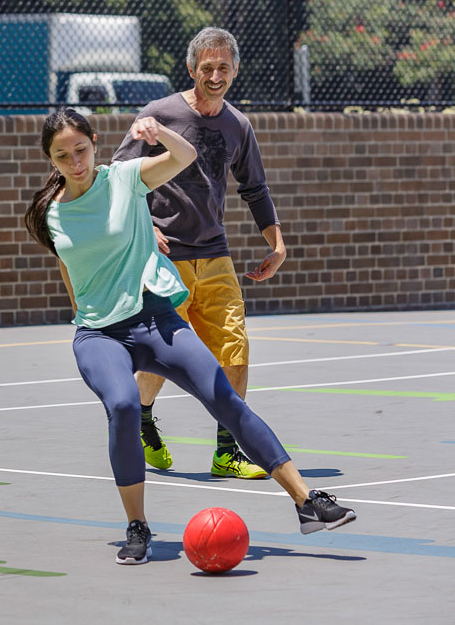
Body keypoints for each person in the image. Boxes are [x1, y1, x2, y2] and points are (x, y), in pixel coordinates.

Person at [24, 108, 356, 565]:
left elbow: (185, 156)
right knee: (123, 404)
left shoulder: (124, 178)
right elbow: (69, 265)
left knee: (223, 397)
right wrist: (85, 314)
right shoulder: (50, 212)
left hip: (155, 318)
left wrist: (158, 131)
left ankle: (307, 501)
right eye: (62, 156)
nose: (75, 162)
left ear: (94, 142)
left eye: (80, 149)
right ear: (50, 159)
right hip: (99, 333)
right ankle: (137, 526)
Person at [112, 27, 285, 479]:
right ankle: (142, 422)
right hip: (163, 258)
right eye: (207, 67)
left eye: (223, 67)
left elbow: (255, 188)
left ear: (235, 70)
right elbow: (118, 177)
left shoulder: (238, 125)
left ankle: (228, 452)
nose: (215, 75)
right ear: (191, 69)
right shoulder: (159, 114)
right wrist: (146, 226)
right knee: (161, 355)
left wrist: (276, 243)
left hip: (215, 255)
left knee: (235, 350)